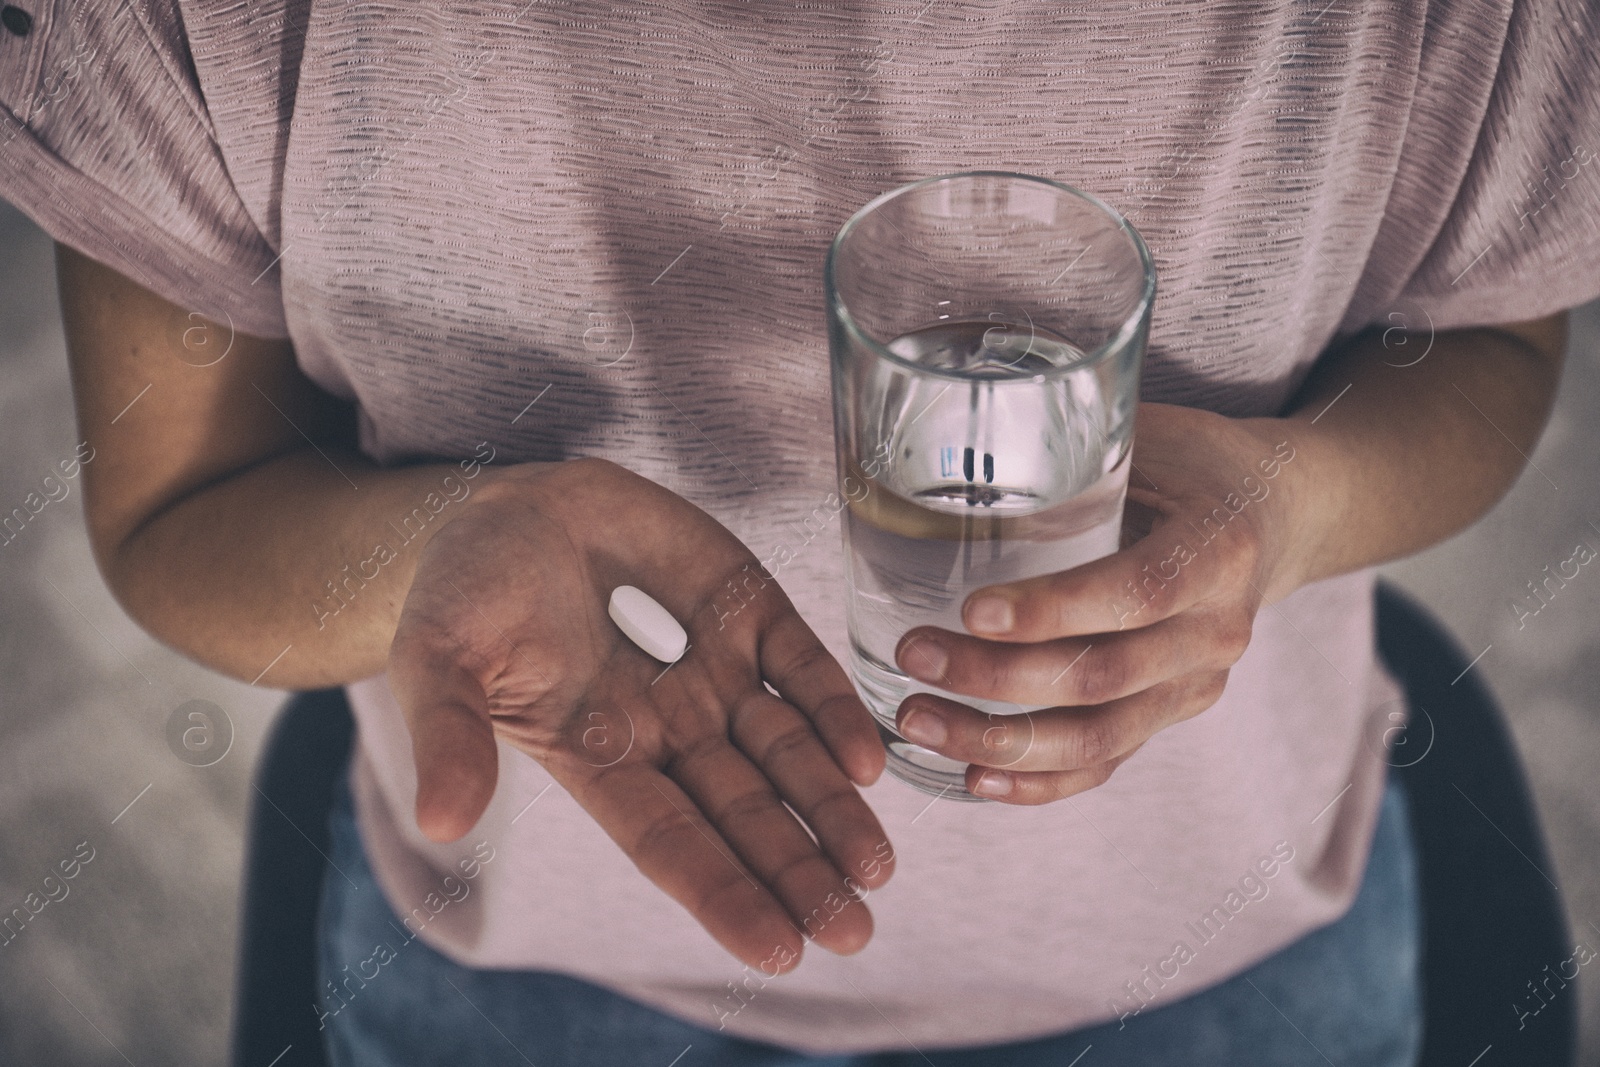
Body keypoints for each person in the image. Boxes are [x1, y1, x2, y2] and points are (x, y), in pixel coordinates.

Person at [4, 0, 1597, 1063]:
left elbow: (1497, 339)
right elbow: (174, 510)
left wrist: (1302, 497)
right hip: (522, 983)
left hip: (1237, 972)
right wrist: (426, 551)